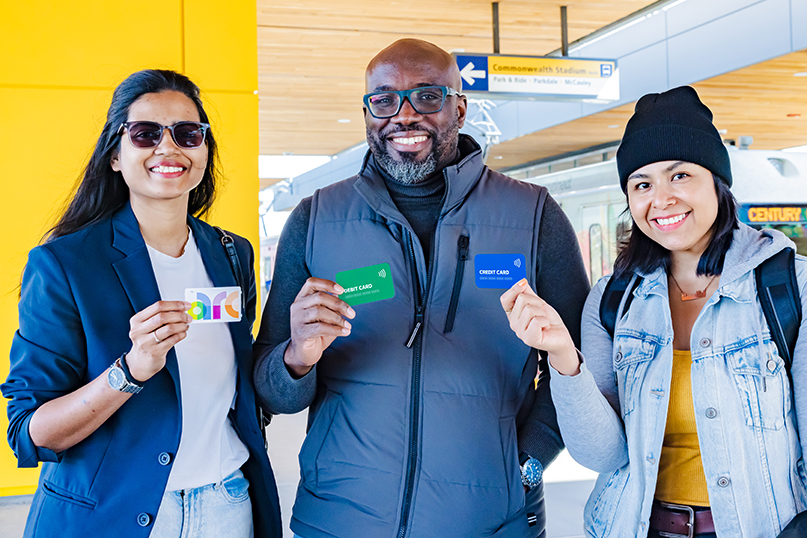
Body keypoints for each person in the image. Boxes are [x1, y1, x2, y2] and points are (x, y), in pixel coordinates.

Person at [253, 38, 589, 538]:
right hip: (339, 519)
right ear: (367, 113)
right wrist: (295, 358)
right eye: (384, 100)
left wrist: (528, 463)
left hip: (490, 523)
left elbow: (582, 363)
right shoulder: (316, 219)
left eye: (427, 96)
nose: (404, 115)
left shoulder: (533, 215)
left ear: (460, 108)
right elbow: (270, 390)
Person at [501, 86, 807, 537]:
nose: (660, 199)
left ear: (717, 181)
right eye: (642, 184)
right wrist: (564, 357)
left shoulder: (791, 285)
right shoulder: (613, 299)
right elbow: (602, 455)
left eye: (679, 175)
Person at [2, 69, 282, 538]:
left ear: (204, 151)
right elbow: (30, 432)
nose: (168, 148)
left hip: (227, 507)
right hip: (113, 513)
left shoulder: (232, 254)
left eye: (187, 134)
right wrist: (130, 371)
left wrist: (298, 352)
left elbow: (241, 385)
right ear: (115, 155)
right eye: (146, 134)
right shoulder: (65, 264)